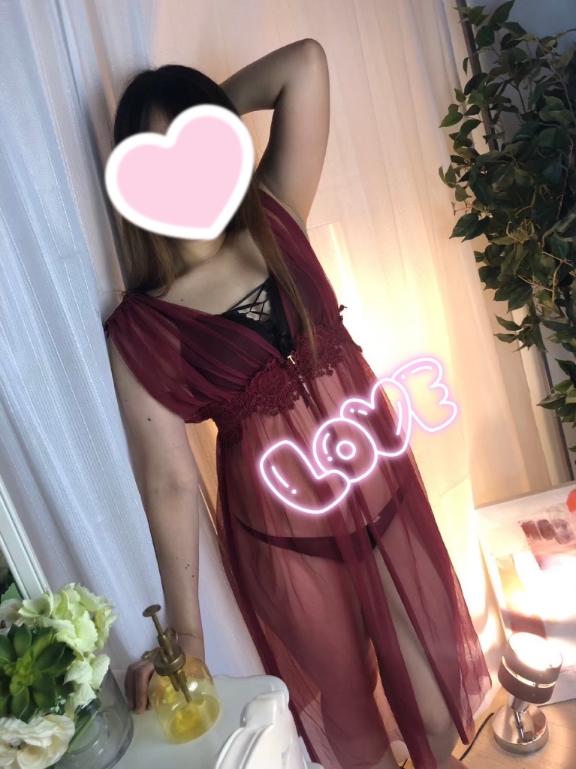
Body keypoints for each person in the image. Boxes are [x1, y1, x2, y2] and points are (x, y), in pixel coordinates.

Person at [103, 39, 491, 769]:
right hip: (285, 544)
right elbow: (169, 481)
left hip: (381, 496)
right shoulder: (142, 327)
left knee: (434, 707)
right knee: (352, 725)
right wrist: (187, 634)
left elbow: (306, 65)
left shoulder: (275, 213)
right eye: (163, 158)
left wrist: (208, 125)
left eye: (204, 145)